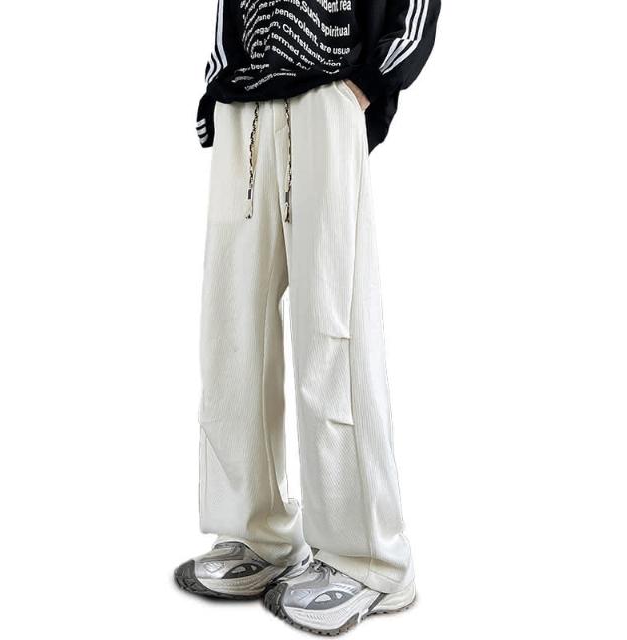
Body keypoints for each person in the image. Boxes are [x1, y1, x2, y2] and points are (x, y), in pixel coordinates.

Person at [175, 0, 441, 634]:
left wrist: (371, 81)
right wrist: (217, 84)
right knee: (231, 329)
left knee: (333, 327)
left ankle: (369, 559)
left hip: (328, 91)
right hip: (245, 101)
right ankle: (257, 531)